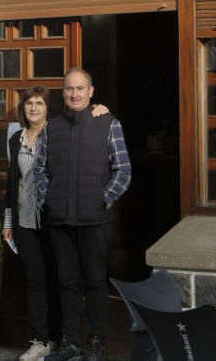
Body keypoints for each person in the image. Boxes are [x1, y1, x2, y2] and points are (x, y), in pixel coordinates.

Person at [3, 86, 109, 361]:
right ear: (23, 108)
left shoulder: (58, 131)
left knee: (61, 281)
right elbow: (12, 183)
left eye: (39, 103)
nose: (34, 108)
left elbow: (88, 125)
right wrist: (9, 221)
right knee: (35, 282)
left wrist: (103, 111)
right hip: (25, 221)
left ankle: (63, 337)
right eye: (29, 103)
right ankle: (40, 340)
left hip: (54, 220)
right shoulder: (15, 139)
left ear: (48, 107)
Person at [34, 67, 131, 361]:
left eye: (80, 89)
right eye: (69, 89)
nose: (74, 94)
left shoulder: (109, 123)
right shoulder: (51, 128)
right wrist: (47, 200)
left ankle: (97, 342)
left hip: (94, 220)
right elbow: (39, 170)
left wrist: (103, 200)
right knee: (66, 282)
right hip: (60, 219)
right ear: (63, 94)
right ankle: (72, 342)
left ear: (91, 92)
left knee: (95, 282)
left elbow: (123, 171)